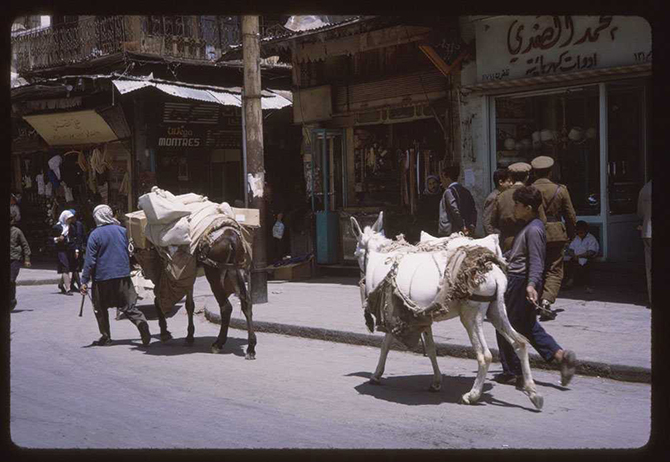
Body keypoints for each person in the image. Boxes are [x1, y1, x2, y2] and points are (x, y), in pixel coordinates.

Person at [493, 186, 577, 388]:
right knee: (528, 326)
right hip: (521, 280)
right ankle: (560, 356)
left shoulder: (534, 229)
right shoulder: (530, 225)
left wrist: (531, 285)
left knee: (503, 325)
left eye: (517, 205)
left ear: (528, 207)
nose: (514, 207)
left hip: (520, 282)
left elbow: (537, 261)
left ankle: (513, 371)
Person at [80, 204, 151, 347]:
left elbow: (90, 260)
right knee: (129, 306)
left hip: (102, 277)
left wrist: (84, 280)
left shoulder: (95, 235)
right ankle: (141, 323)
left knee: (100, 308)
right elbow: (132, 252)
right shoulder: (123, 231)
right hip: (123, 275)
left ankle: (106, 337)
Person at [531, 156, 577, 320]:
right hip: (557, 233)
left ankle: (535, 300)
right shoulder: (560, 190)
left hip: (535, 233)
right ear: (550, 172)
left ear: (534, 172)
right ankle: (546, 301)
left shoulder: (529, 189)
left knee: (536, 267)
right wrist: (571, 234)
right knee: (554, 269)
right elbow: (570, 215)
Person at [490, 162, 531, 253]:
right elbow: (541, 220)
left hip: (507, 242)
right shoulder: (532, 194)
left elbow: (493, 221)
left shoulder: (501, 196)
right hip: (528, 241)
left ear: (511, 178)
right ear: (527, 177)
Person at [438, 165, 477, 237]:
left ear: (447, 178)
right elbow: (473, 210)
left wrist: (462, 226)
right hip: (466, 229)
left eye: (442, 179)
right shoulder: (466, 191)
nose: (441, 183)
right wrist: (472, 225)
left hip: (453, 231)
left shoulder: (449, 192)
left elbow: (454, 209)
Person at [563, 221, 600, 293]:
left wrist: (580, 256)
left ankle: (587, 285)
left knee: (587, 266)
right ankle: (569, 282)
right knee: (570, 264)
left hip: (587, 258)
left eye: (581, 232)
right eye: (578, 232)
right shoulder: (576, 238)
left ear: (586, 231)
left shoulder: (591, 238)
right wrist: (573, 255)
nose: (580, 234)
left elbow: (591, 252)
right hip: (576, 258)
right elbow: (571, 249)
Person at [10, 210, 31, 311]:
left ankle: (11, 300)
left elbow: (25, 245)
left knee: (11, 280)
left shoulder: (17, 231)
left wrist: (27, 259)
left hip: (15, 258)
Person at [53, 210, 77, 295]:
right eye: (68, 218)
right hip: (61, 250)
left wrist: (76, 250)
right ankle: (68, 288)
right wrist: (57, 239)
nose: (70, 220)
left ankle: (61, 284)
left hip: (69, 250)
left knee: (67, 268)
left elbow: (74, 239)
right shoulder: (57, 227)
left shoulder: (72, 228)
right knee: (65, 267)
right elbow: (50, 239)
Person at [483, 168, 513, 236]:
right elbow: (487, 223)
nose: (511, 184)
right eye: (509, 181)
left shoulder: (504, 195)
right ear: (501, 182)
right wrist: (493, 239)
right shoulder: (493, 198)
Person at [637, 180, 651, 307]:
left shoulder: (645, 189)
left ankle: (653, 297)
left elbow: (640, 212)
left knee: (650, 267)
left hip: (648, 232)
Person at [68, 209, 86, 292]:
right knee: (75, 268)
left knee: (77, 267)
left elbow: (83, 236)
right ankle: (79, 285)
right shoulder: (68, 226)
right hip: (72, 250)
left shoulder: (79, 225)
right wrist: (75, 249)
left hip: (80, 248)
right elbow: (70, 239)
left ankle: (67, 284)